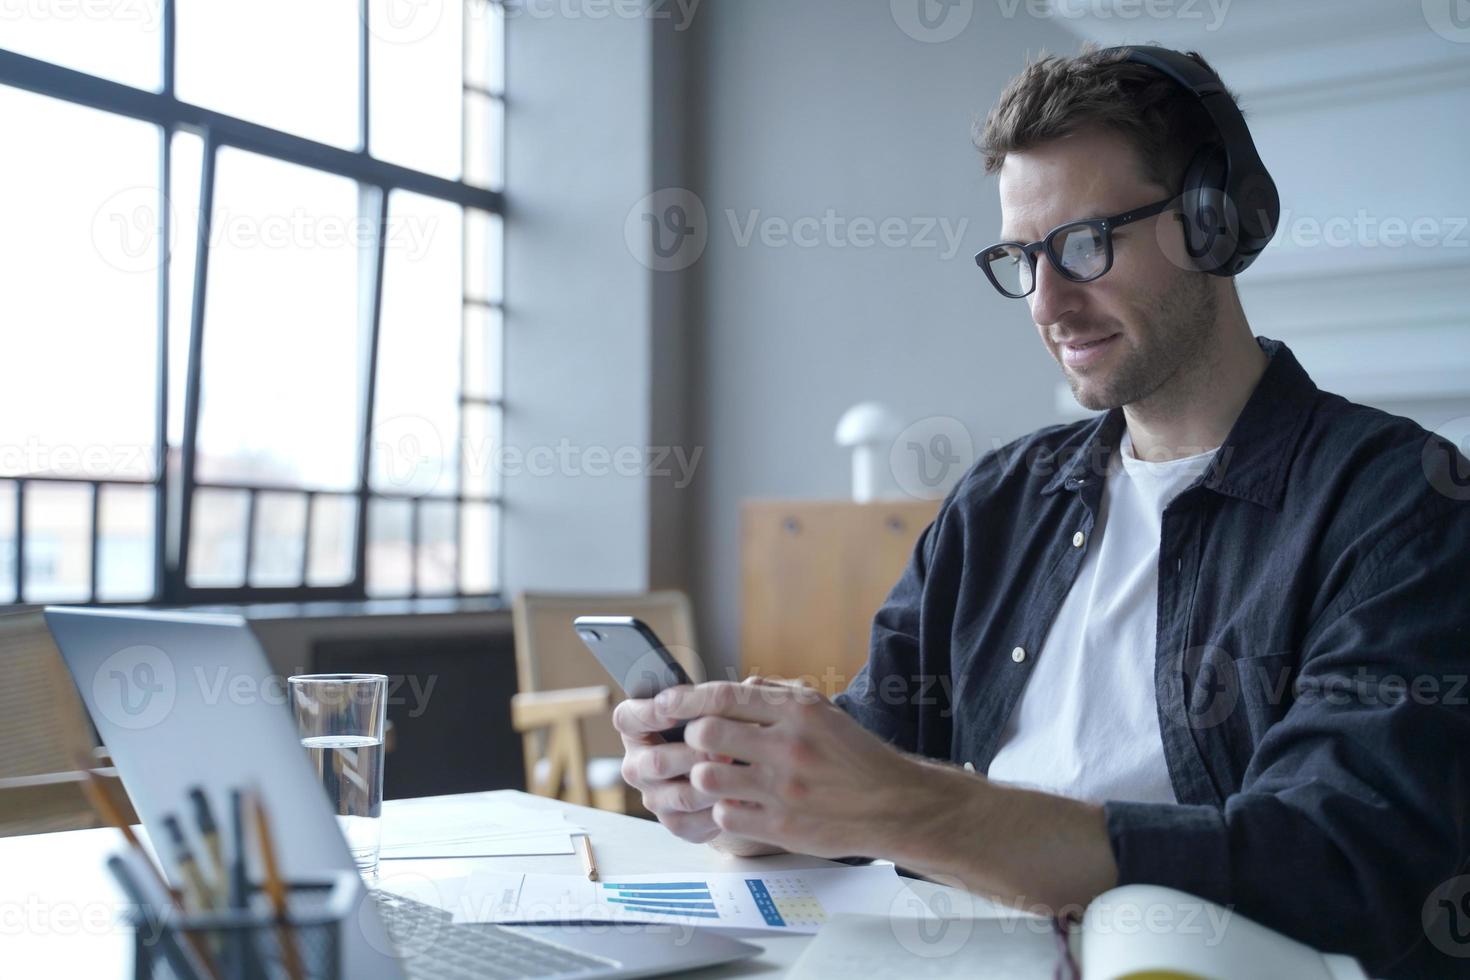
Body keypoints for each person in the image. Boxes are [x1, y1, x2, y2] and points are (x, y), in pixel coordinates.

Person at [614, 43, 1470, 978]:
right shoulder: (999, 501)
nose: (1049, 302)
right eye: (1022, 257)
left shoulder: (1402, 503)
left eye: (1086, 245)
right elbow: (875, 758)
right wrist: (741, 789)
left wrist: (908, 806)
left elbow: (1334, 865)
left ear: (1215, 222)